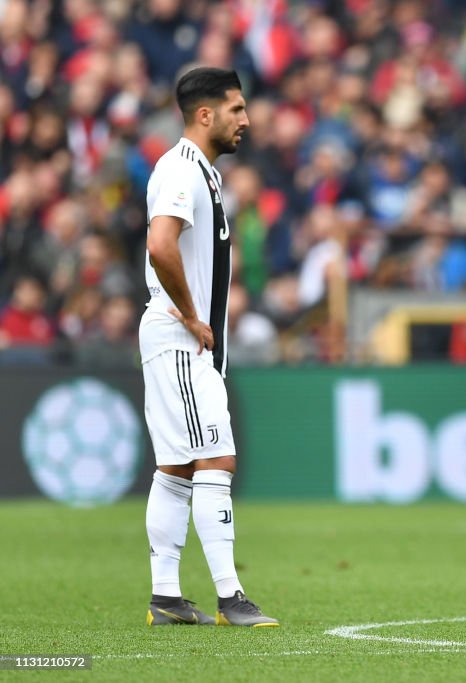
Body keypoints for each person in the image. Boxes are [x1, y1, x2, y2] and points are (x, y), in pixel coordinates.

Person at [141, 67, 277, 627]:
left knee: (175, 468)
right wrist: (195, 316)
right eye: (237, 109)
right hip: (179, 336)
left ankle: (167, 597)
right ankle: (230, 597)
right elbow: (160, 245)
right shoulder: (179, 169)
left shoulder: (205, 174)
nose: (246, 120)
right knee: (215, 457)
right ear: (206, 114)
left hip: (175, 336)